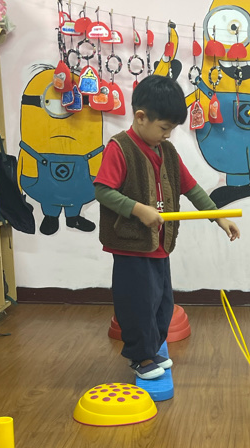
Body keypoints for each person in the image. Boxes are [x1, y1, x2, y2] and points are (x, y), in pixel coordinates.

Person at [94, 74, 239, 380]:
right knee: (137, 305)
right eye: (163, 128)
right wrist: (138, 209)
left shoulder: (167, 153)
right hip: (131, 246)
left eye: (172, 129)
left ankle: (152, 350)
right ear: (141, 117)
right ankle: (140, 357)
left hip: (159, 245)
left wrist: (218, 217)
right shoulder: (119, 148)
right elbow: (103, 191)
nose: (168, 135)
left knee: (162, 303)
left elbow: (192, 188)